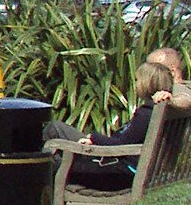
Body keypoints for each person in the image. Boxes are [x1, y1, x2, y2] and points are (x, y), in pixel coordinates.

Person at [63, 61, 172, 191]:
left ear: (147, 83)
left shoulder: (147, 114)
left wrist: (94, 137)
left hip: (121, 175)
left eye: (137, 80)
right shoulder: (165, 110)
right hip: (135, 170)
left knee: (54, 164)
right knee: (56, 130)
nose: (135, 84)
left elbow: (121, 146)